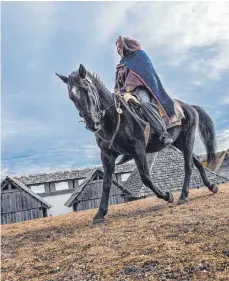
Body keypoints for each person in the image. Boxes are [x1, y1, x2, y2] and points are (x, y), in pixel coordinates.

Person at [114, 36, 175, 146]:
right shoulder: (120, 65)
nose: (119, 51)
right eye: (117, 49)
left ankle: (163, 134)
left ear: (127, 46)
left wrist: (127, 89)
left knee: (144, 103)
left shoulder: (140, 56)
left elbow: (137, 76)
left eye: (120, 48)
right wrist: (118, 92)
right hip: (124, 93)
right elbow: (117, 84)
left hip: (140, 89)